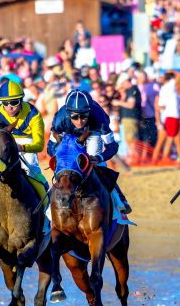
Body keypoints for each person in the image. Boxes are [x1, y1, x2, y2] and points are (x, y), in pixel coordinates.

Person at [47, 89, 132, 217]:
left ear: (89, 112)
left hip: (93, 132)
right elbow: (50, 148)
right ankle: (50, 204)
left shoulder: (99, 117)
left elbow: (112, 146)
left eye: (84, 116)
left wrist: (99, 158)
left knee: (97, 165)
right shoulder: (60, 119)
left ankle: (119, 198)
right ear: (68, 114)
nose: (80, 121)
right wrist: (62, 159)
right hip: (69, 135)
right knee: (64, 167)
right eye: (75, 117)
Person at [0, 74, 48, 190]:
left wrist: (21, 148)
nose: (9, 107)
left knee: (31, 169)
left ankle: (45, 192)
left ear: (21, 100)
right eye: (5, 103)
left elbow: (39, 145)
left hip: (27, 142)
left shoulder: (33, 114)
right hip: (7, 141)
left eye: (14, 102)